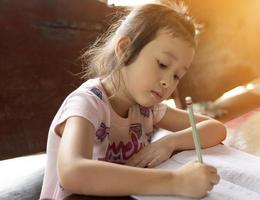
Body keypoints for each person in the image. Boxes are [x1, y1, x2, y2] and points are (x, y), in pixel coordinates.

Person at [40, 1, 227, 199]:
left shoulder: (148, 108)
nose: (167, 83)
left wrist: (170, 142)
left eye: (177, 76)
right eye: (163, 64)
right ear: (125, 49)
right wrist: (175, 181)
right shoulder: (88, 104)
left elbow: (215, 128)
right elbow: (73, 173)